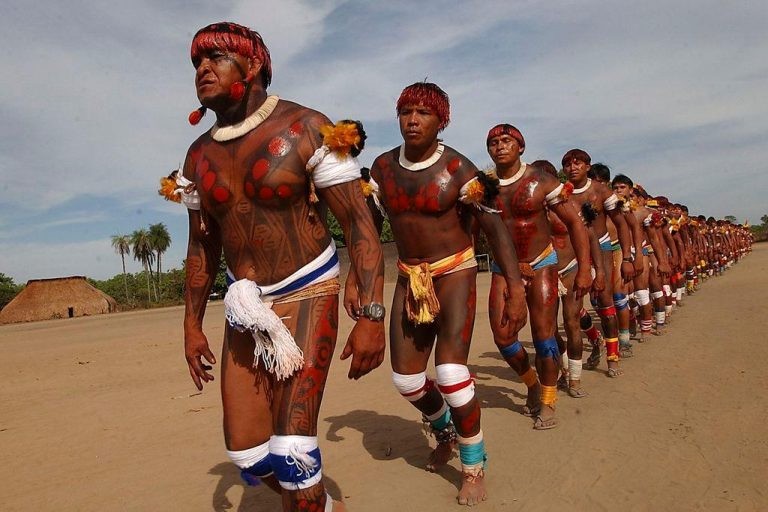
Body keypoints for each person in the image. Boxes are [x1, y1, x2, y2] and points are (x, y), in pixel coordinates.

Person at [169, 22, 385, 512]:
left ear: (255, 65)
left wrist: (371, 314)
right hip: (246, 305)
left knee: (292, 453)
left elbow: (359, 224)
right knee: (248, 455)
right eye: (197, 62)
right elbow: (200, 249)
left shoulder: (306, 128)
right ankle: (323, 504)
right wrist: (190, 326)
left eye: (216, 57)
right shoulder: (197, 155)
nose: (202, 68)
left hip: (309, 289)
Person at [358, 82, 527, 506]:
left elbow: (494, 230)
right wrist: (358, 285)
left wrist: (514, 286)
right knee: (408, 380)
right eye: (405, 112)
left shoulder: (460, 171)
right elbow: (367, 233)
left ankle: (473, 465)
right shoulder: (381, 169)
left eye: (423, 113)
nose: (412, 120)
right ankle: (444, 431)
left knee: (451, 374)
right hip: (409, 276)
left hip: (454, 272)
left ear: (441, 120)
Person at [485, 130, 591, 429]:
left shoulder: (542, 181)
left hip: (542, 263)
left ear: (521, 147)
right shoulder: (485, 186)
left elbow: (575, 223)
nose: (500, 146)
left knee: (543, 337)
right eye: (493, 143)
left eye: (506, 141)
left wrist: (584, 268)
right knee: (503, 337)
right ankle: (531, 382)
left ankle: (547, 402)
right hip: (504, 268)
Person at [563, 149, 635, 377]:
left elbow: (622, 224)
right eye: (567, 164)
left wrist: (628, 257)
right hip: (574, 251)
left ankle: (613, 357)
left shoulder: (601, 190)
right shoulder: (561, 192)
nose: (572, 168)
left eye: (578, 163)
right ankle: (595, 339)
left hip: (602, 248)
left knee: (604, 301)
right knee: (573, 308)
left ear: (587, 166)